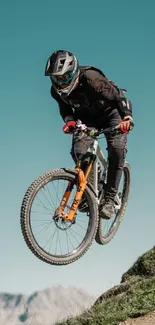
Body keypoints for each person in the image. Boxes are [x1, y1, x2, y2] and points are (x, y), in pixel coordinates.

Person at [45, 50, 134, 219]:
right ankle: (89, 191)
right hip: (87, 118)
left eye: (64, 78)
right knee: (79, 151)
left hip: (111, 114)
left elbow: (119, 97)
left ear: (74, 72)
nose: (61, 83)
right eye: (56, 78)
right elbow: (64, 108)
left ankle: (109, 198)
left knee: (116, 148)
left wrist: (127, 117)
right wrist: (69, 120)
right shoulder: (55, 91)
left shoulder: (92, 79)